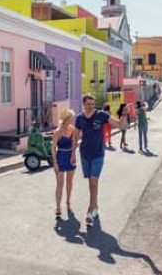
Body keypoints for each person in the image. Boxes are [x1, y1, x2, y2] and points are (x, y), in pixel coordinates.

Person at [75, 95, 119, 228]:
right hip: (84, 154)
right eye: (88, 104)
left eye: (93, 104)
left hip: (98, 154)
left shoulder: (101, 115)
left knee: (93, 181)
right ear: (84, 104)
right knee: (91, 183)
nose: (91, 106)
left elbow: (117, 123)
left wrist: (123, 117)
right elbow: (75, 136)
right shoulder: (79, 118)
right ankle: (95, 206)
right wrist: (72, 153)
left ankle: (90, 210)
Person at [51, 107, 79, 220]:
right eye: (71, 118)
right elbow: (53, 148)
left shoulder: (72, 129)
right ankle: (58, 207)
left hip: (70, 157)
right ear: (67, 119)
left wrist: (74, 155)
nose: (73, 120)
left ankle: (68, 202)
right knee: (59, 184)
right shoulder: (57, 131)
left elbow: (74, 144)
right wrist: (55, 163)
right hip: (61, 157)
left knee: (70, 183)